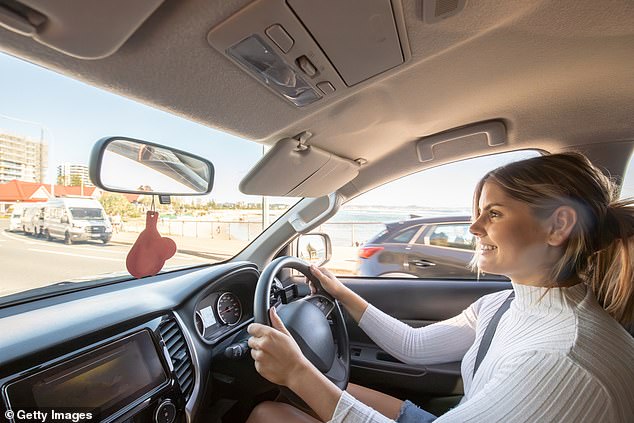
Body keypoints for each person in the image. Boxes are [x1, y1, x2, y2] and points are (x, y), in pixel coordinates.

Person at [246, 152, 634, 422]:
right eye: (478, 212)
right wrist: (341, 293)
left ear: (558, 226)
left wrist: (298, 370)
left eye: (494, 213)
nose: (474, 227)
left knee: (269, 413)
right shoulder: (501, 305)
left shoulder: (561, 358)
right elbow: (414, 347)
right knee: (321, 391)